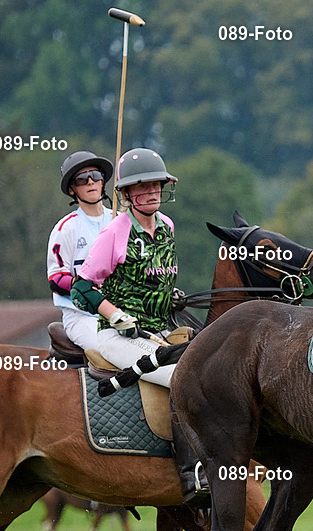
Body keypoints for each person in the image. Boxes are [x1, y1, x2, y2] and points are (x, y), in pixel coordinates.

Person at [70, 148, 204, 504]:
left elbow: (154, 279)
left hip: (161, 330)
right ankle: (191, 473)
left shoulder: (167, 228)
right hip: (117, 335)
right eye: (140, 187)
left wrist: (169, 295)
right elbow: (81, 286)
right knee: (183, 378)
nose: (151, 192)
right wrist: (113, 313)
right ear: (127, 195)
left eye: (156, 185)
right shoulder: (115, 232)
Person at [47, 151, 114, 351]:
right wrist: (82, 286)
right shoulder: (65, 228)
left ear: (103, 182)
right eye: (82, 179)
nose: (91, 182)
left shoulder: (121, 220)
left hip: (123, 310)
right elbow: (56, 279)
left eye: (96, 176)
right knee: (111, 352)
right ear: (71, 190)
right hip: (82, 316)